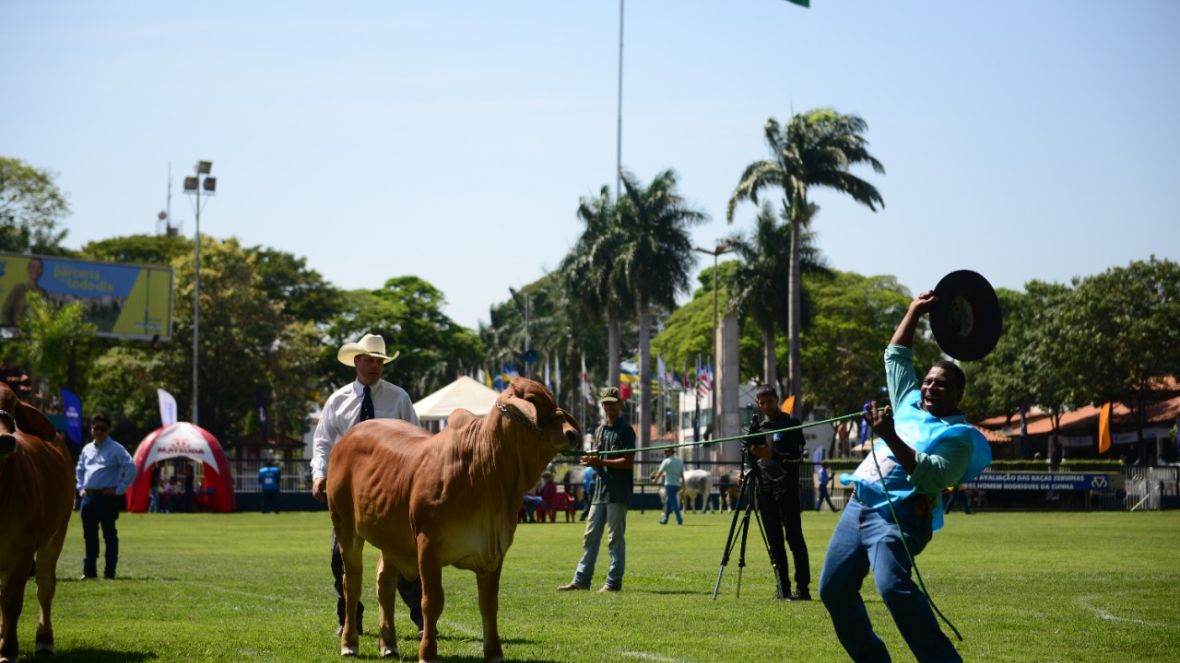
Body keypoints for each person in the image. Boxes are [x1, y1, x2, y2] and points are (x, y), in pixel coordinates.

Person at [818, 291, 991, 663]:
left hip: (898, 519)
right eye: (928, 380)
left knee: (893, 588)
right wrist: (914, 310)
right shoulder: (908, 402)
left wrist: (889, 435)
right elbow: (896, 355)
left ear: (959, 393)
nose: (930, 387)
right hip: (858, 507)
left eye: (941, 384)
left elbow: (932, 478)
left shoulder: (959, 438)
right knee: (832, 590)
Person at [311, 333, 423, 637]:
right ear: (356, 361)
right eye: (369, 360)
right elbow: (322, 442)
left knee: (403, 555)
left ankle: (422, 618)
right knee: (341, 557)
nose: (374, 366)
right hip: (348, 493)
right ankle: (349, 620)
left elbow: (418, 440)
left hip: (391, 493)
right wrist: (319, 474)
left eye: (379, 361)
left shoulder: (398, 397)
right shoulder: (337, 400)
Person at [558, 386, 635, 592]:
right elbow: (599, 457)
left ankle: (613, 583)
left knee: (614, 539)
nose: (610, 406)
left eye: (613, 402)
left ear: (620, 404)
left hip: (618, 492)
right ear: (603, 405)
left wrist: (601, 462)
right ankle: (581, 580)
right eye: (607, 403)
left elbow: (628, 462)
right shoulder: (600, 430)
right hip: (600, 491)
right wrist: (591, 460)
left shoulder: (626, 430)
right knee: (590, 536)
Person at [748, 384, 811, 600]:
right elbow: (753, 457)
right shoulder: (759, 429)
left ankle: (802, 588)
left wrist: (771, 454)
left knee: (794, 537)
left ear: (777, 400)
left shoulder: (791, 424)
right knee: (774, 542)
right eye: (762, 402)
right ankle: (782, 587)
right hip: (763, 490)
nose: (766, 406)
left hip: (786, 487)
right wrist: (747, 470)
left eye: (769, 401)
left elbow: (796, 456)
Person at [75, 413, 136, 580]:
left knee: (109, 535)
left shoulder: (116, 448)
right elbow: (79, 469)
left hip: (106, 498)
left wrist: (119, 489)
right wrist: (80, 488)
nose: (99, 431)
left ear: (108, 430)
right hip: (88, 498)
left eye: (103, 428)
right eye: (96, 428)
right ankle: (89, 572)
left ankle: (110, 572)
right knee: (89, 536)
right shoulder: (87, 449)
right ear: (91, 429)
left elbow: (131, 468)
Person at [2, 256, 47, 326]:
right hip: (17, 334)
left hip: (35, 335)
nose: (36, 270)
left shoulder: (43, 293)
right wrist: (10, 330)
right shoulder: (18, 289)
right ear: (28, 269)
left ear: (42, 271)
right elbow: (5, 312)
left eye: (39, 267)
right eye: (33, 267)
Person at [653, 447, 684, 525]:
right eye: (665, 451)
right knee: (668, 502)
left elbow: (660, 472)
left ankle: (679, 519)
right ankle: (665, 520)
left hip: (669, 485)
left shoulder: (666, 461)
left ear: (671, 452)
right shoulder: (679, 461)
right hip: (677, 485)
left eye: (666, 451)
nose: (665, 453)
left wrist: (655, 480)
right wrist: (683, 484)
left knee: (673, 503)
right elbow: (681, 474)